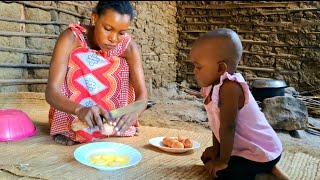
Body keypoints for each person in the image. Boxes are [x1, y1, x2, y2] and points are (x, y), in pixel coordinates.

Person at [189, 28, 289, 179]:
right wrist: (217, 151)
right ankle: (267, 168)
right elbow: (217, 125)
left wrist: (223, 161)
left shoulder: (230, 88)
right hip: (244, 149)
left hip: (262, 150)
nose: (194, 71)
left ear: (221, 68)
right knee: (207, 156)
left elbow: (228, 127)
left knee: (224, 172)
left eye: (198, 67)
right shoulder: (211, 87)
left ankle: (266, 175)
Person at [45, 1, 147, 146]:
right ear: (94, 18)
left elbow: (142, 98)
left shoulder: (128, 47)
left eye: (121, 33)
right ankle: (67, 126)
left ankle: (111, 125)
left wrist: (134, 112)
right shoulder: (71, 38)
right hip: (75, 114)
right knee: (79, 55)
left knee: (119, 61)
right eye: (107, 28)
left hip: (112, 118)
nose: (113, 39)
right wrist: (79, 110)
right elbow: (51, 93)